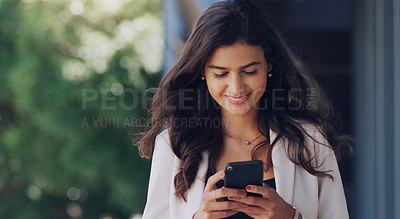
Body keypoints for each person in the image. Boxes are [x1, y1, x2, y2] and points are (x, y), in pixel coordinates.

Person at [137, 0, 353, 218]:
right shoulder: (173, 146)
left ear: (269, 65)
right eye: (221, 74)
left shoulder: (310, 140)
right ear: (202, 71)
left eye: (249, 71)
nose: (237, 88)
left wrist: (290, 216)